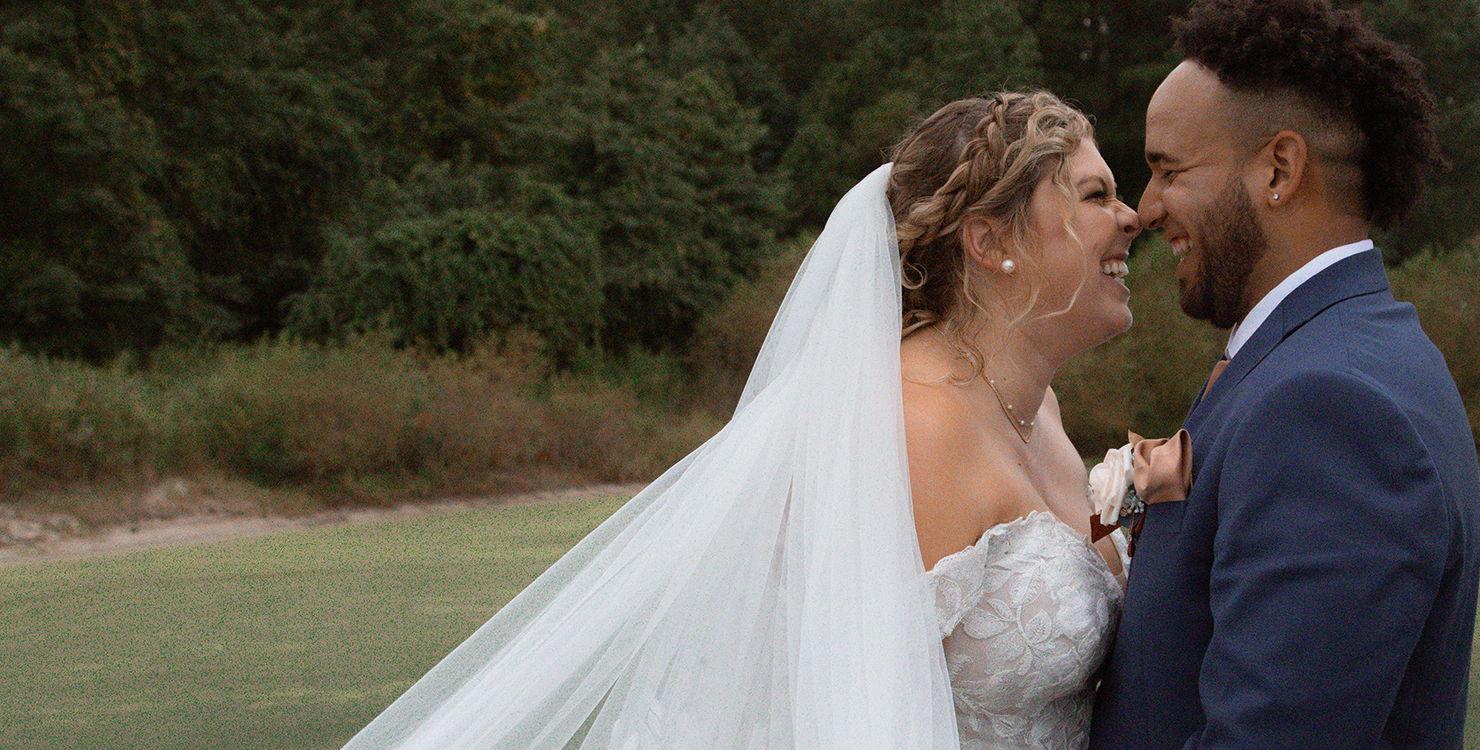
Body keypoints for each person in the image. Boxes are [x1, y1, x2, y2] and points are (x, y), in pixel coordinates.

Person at [342, 91, 1140, 749]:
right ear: (989, 241)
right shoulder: (913, 429)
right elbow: (842, 717)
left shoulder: (1038, 412)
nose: (1131, 216)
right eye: (1096, 195)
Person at [1090, 1, 1480, 747]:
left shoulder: (1327, 403)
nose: (1145, 208)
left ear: (1279, 169)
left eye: (1169, 170)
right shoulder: (1339, 352)